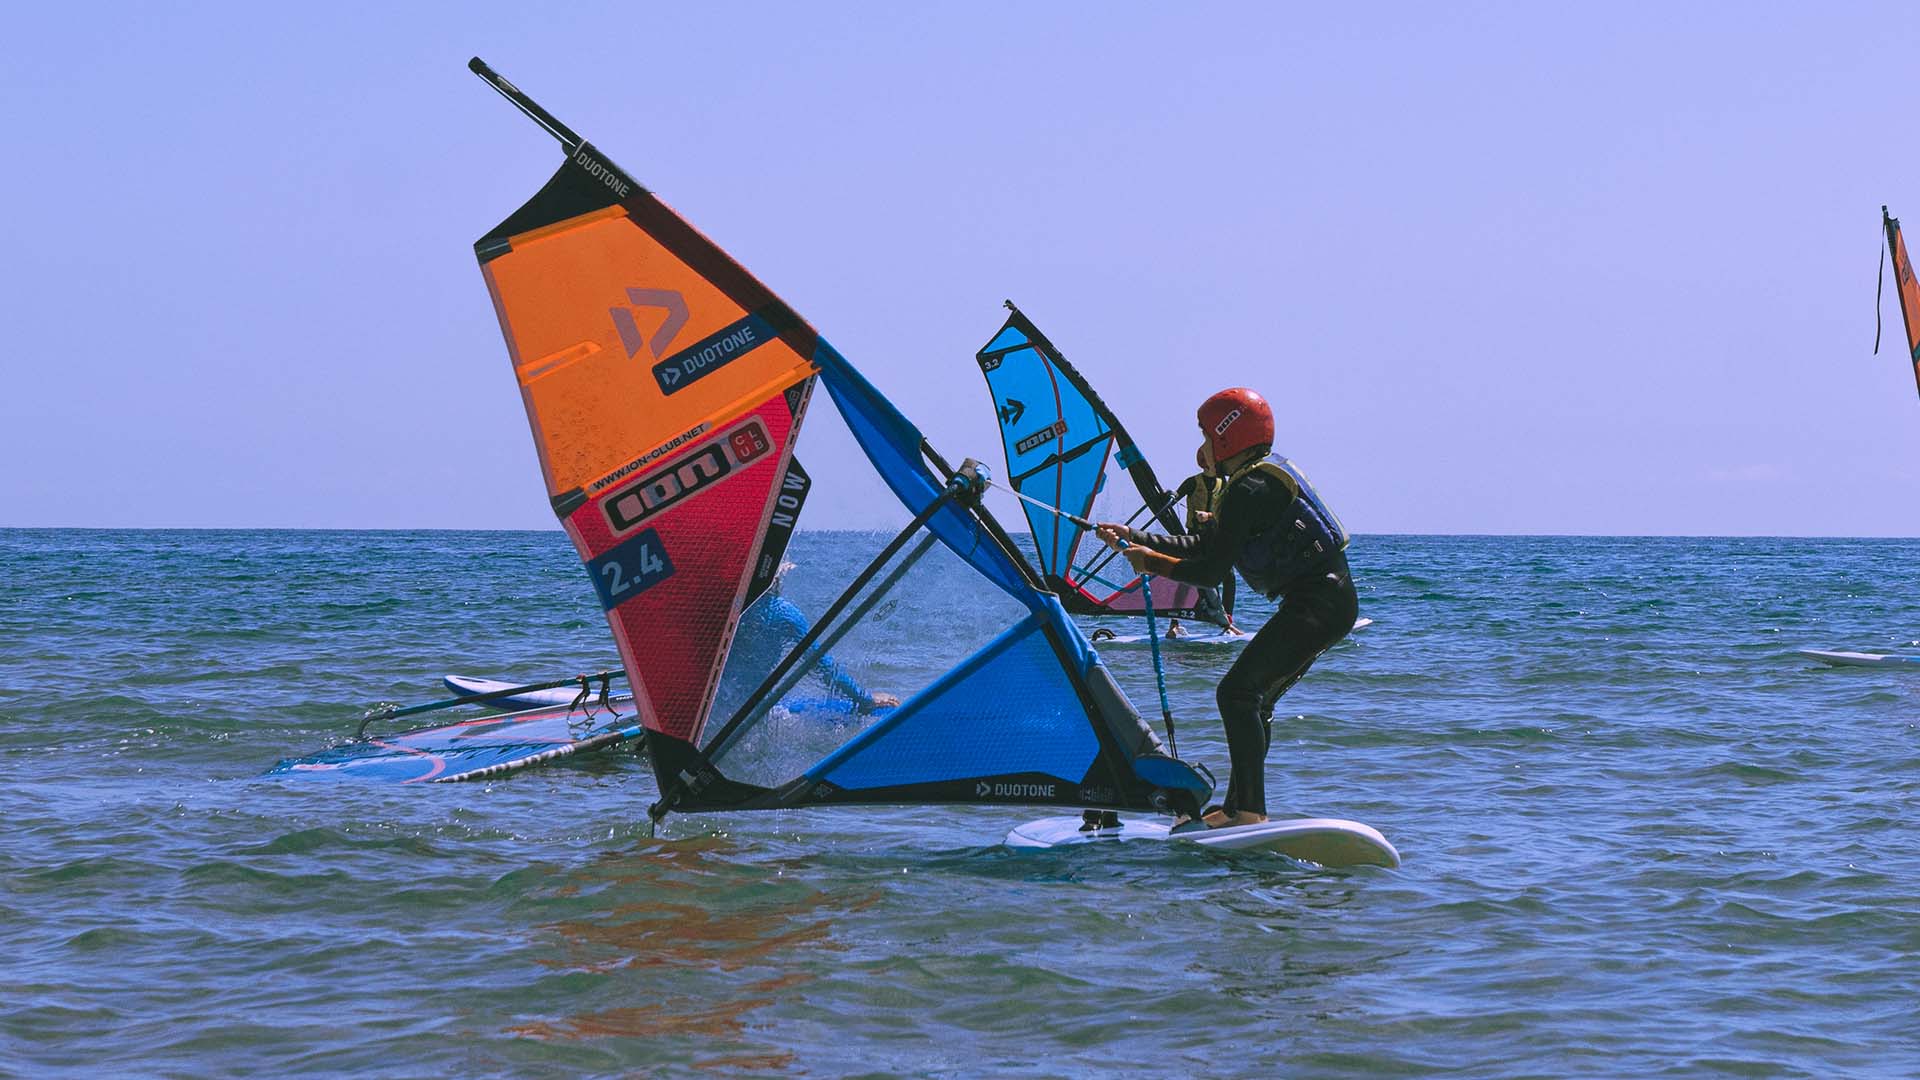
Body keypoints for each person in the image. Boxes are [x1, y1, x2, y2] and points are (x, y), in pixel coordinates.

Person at [1095, 388, 1354, 829]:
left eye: (1204, 435)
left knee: (1236, 694)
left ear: (1226, 436)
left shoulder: (1249, 488)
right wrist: (1137, 538)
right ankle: (1240, 807)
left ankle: (1247, 811)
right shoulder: (1256, 481)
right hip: (1326, 601)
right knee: (1254, 700)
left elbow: (1211, 570)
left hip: (1319, 602)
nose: (1200, 449)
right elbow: (1206, 544)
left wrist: (1150, 563)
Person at [722, 563, 899, 717]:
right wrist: (863, 697)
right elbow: (821, 663)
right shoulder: (783, 613)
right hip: (748, 712)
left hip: (716, 701)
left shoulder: (725, 603)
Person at [1173, 447, 1239, 634]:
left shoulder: (1224, 483)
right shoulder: (1192, 482)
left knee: (1229, 577)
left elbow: (1229, 511)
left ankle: (1228, 621)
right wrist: (1169, 495)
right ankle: (1174, 624)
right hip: (1194, 536)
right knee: (1183, 579)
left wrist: (1210, 516)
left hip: (1216, 537)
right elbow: (1174, 496)